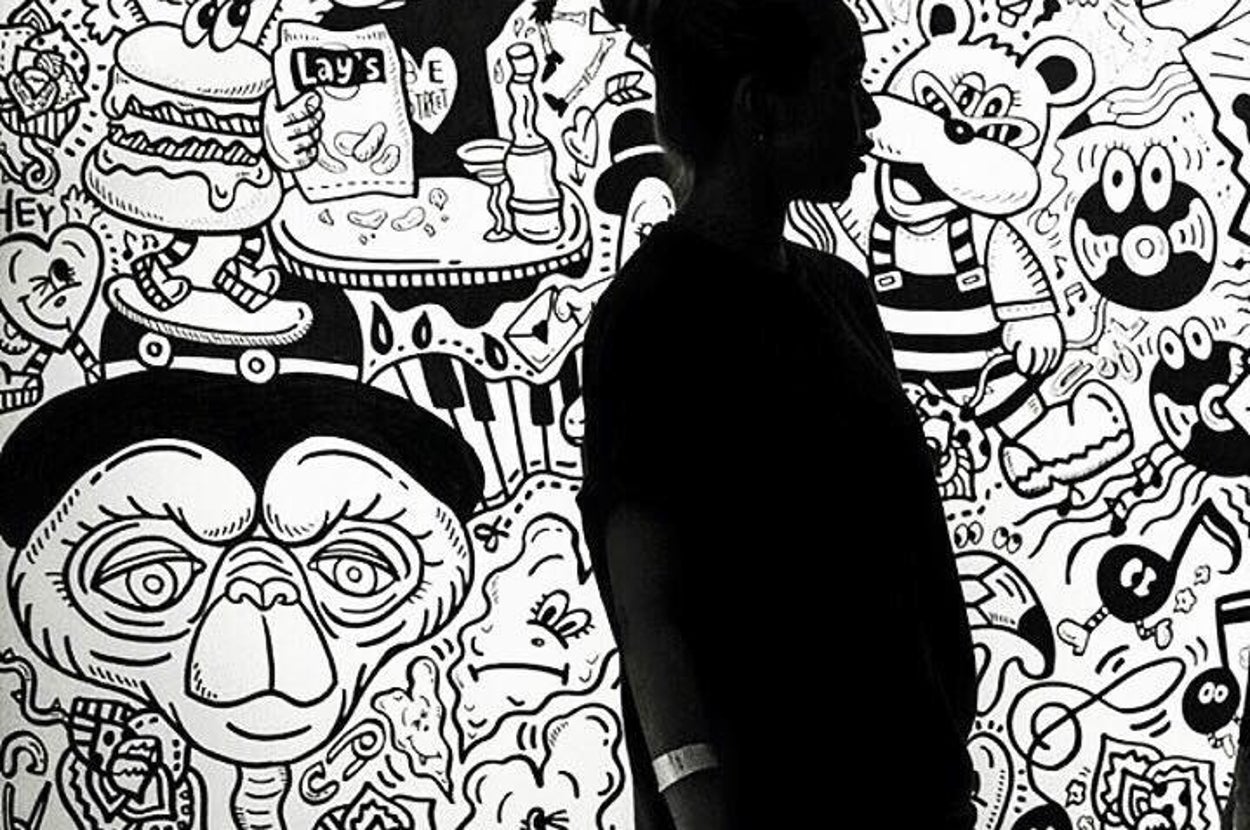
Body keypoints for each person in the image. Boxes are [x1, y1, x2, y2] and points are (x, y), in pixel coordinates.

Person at [575, 1, 979, 828]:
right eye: (846, 84)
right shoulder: (653, 320)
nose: (869, 115)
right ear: (761, 106)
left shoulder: (841, 297)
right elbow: (653, 622)